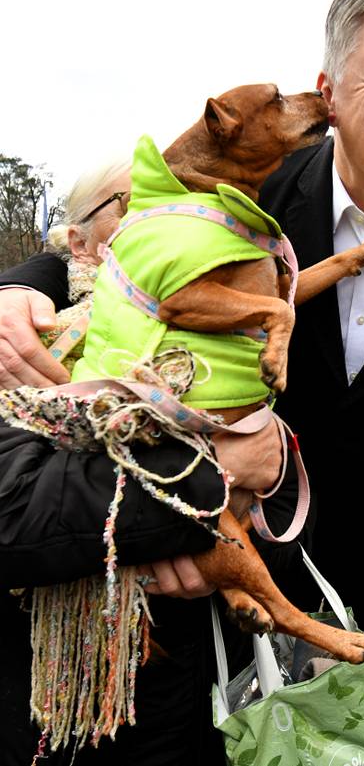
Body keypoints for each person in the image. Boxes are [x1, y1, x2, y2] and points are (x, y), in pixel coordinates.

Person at [0, 0, 364, 766]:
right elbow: (121, 251)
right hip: (211, 582)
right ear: (331, 93)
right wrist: (18, 288)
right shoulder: (249, 184)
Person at [0, 158, 286, 765]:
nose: (172, 214)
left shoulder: (222, 326)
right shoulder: (28, 336)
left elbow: (276, 462)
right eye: (132, 203)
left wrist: (268, 466)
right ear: (79, 241)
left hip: (198, 673)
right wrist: (213, 477)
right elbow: (15, 507)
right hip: (59, 692)